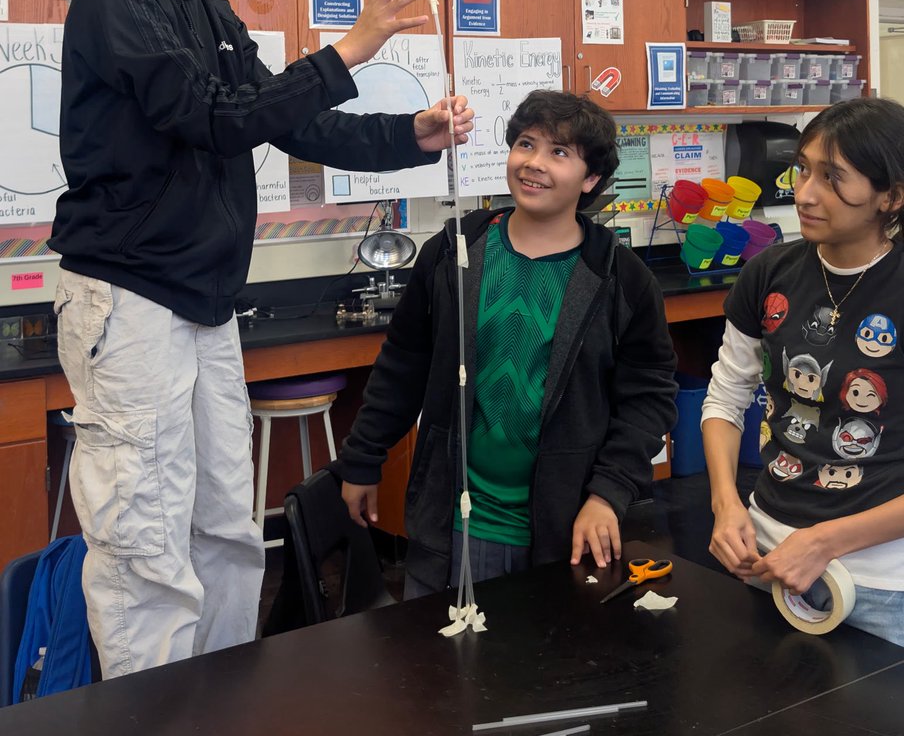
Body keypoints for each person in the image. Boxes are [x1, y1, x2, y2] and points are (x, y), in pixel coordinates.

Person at [48, 0, 474, 677]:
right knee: (143, 539)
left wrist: (410, 136)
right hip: (129, 299)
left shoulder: (199, 6)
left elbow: (283, 116)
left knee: (226, 525)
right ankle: (150, 712)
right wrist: (350, 49)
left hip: (201, 301)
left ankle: (226, 700)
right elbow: (211, 118)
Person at [338, 89, 678, 597]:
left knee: (545, 669)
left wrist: (608, 493)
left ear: (591, 180)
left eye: (559, 153)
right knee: (437, 668)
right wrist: (363, 458)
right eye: (526, 144)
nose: (534, 164)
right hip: (452, 524)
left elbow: (649, 397)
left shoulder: (619, 278)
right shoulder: (453, 252)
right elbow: (403, 364)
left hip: (565, 528)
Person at [703, 97, 904, 645]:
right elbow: (725, 398)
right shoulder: (770, 272)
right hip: (764, 558)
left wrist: (825, 541)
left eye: (835, 177)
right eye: (805, 169)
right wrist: (725, 505)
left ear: (892, 196)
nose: (806, 192)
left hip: (881, 584)